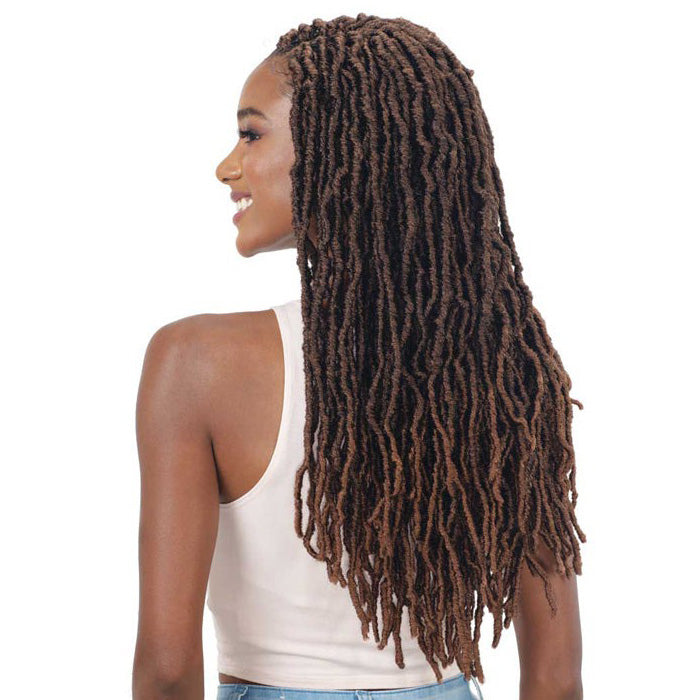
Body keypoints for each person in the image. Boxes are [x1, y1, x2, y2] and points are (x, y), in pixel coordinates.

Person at [132, 14, 586, 700]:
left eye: (251, 134)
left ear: (336, 147)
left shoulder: (195, 364)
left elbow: (168, 669)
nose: (227, 166)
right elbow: (556, 674)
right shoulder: (503, 371)